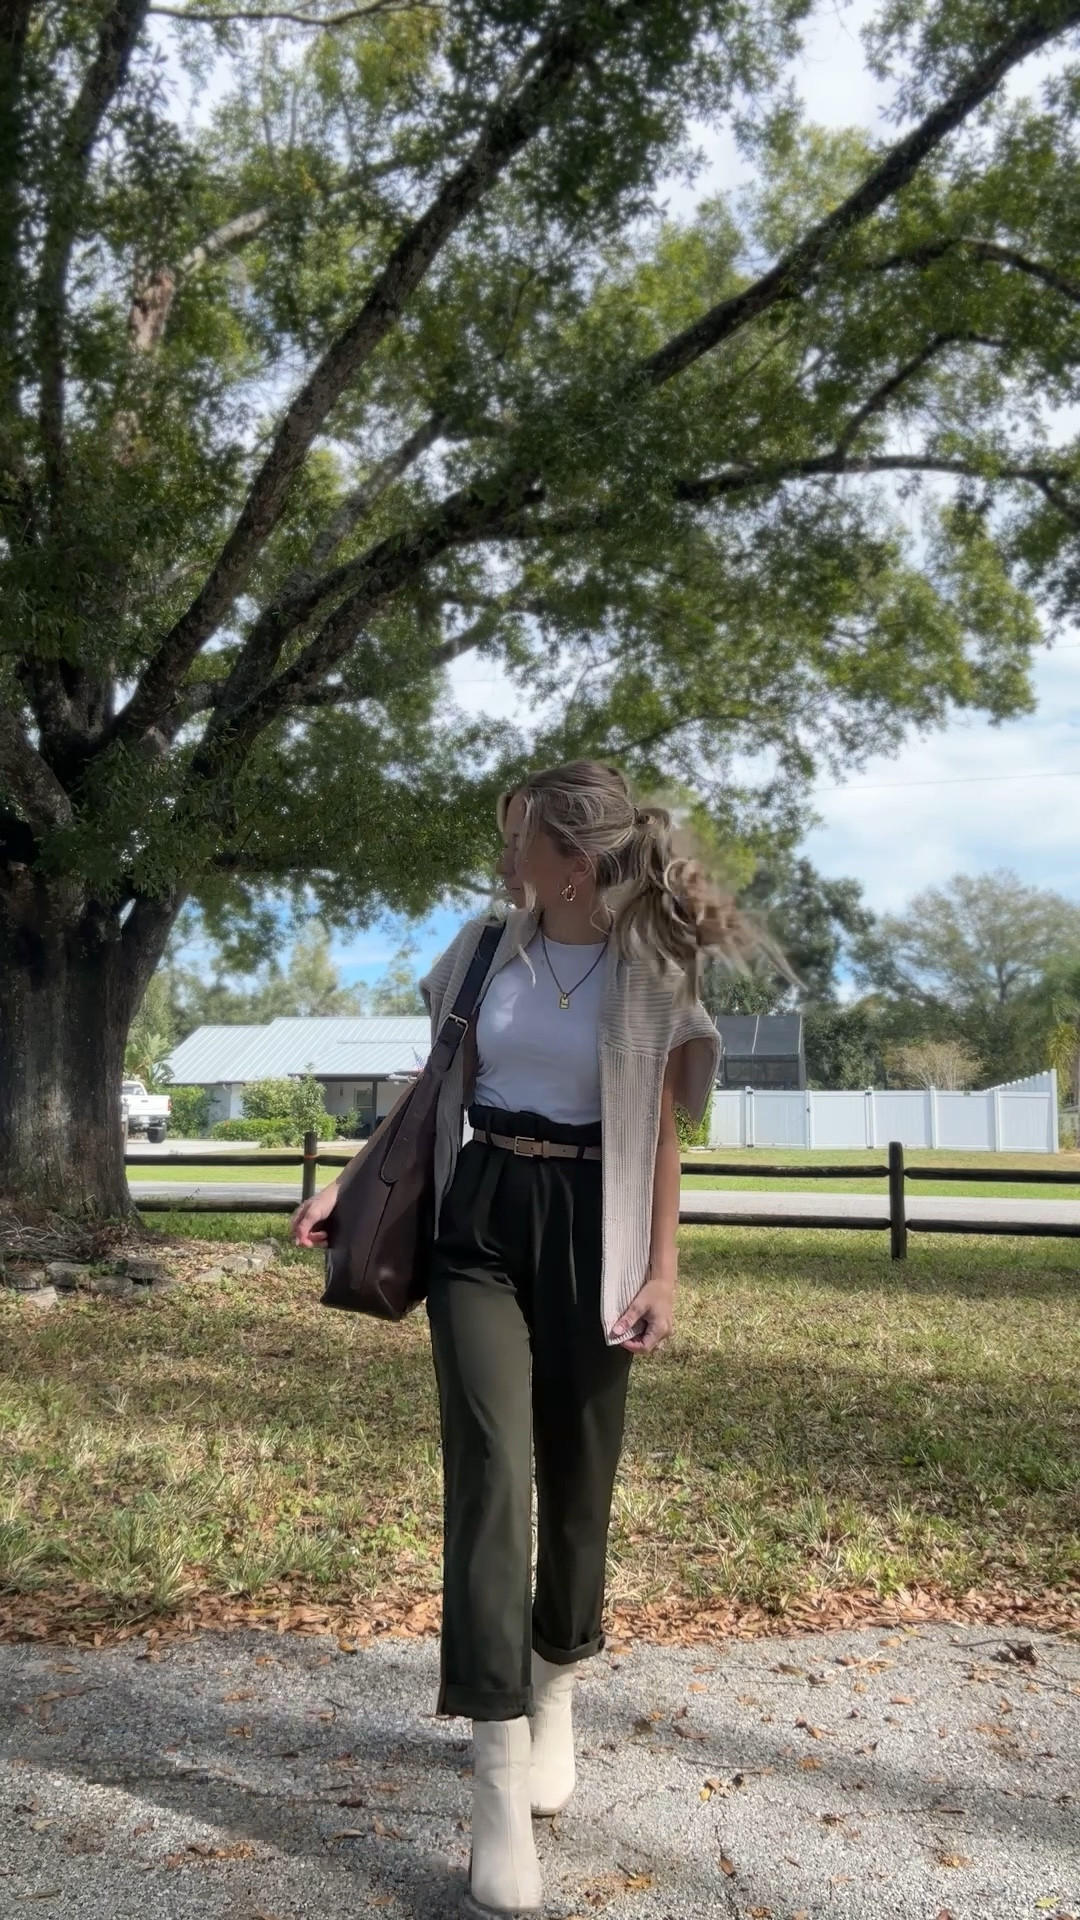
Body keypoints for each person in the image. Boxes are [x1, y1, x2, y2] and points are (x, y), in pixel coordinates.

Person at [290, 760, 765, 1919]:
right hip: (478, 1222)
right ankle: (497, 1776)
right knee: (493, 1472)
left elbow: (662, 1134)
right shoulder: (480, 948)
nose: (504, 860)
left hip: (596, 1228)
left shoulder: (653, 964)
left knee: (580, 1484)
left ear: (572, 855)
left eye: (518, 841)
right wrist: (352, 1185)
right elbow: (430, 1080)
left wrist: (663, 1270)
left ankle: (557, 1685)